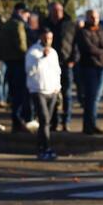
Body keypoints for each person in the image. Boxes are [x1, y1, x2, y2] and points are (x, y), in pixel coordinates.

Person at [76, 9, 103, 135]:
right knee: (91, 98)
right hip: (90, 67)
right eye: (92, 17)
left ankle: (91, 124)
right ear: (87, 18)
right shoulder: (83, 32)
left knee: (96, 97)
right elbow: (88, 49)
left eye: (96, 17)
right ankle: (89, 125)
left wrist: (101, 45)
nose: (94, 19)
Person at [26, 28, 61, 160]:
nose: (48, 41)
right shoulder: (33, 52)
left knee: (47, 122)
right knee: (44, 119)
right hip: (38, 90)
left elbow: (57, 71)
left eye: (50, 38)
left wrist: (58, 87)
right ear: (41, 37)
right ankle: (44, 147)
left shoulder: (53, 53)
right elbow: (29, 70)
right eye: (45, 38)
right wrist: (41, 58)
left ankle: (44, 147)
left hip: (52, 91)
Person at [43, 2, 77, 133]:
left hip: (66, 63)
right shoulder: (45, 25)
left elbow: (75, 43)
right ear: (50, 11)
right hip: (50, 65)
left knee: (67, 94)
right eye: (54, 10)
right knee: (52, 94)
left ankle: (66, 122)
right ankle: (53, 122)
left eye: (59, 10)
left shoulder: (69, 24)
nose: (57, 13)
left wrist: (73, 59)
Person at [0, 3, 31, 132]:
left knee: (14, 93)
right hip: (19, 62)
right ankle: (18, 121)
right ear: (21, 12)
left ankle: (17, 120)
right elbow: (22, 45)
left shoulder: (6, 24)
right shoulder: (18, 25)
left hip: (9, 62)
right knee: (20, 93)